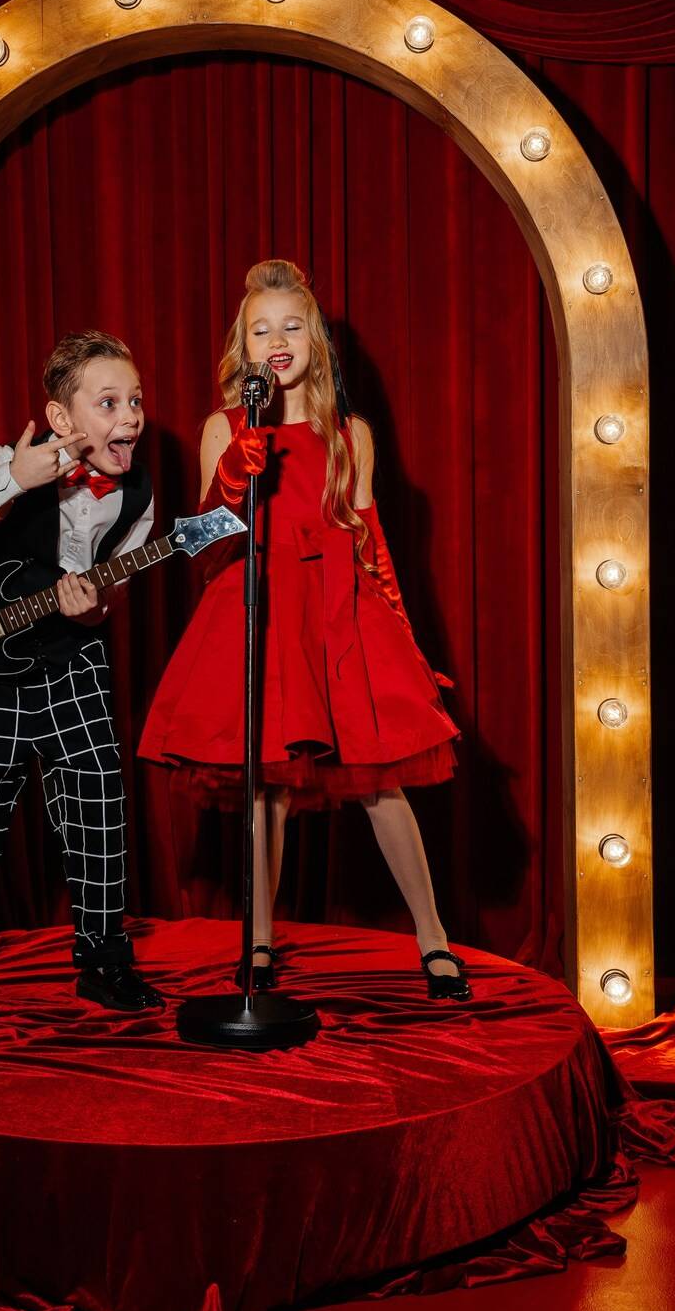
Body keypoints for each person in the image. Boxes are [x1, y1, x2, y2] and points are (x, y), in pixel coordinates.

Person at [139, 261, 471, 1000]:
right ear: (244, 348)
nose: (278, 339)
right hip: (257, 608)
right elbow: (202, 546)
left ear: (314, 340)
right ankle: (258, 943)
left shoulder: (349, 432)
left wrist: (404, 643)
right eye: (262, 330)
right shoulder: (223, 427)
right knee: (268, 788)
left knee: (383, 784)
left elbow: (371, 543)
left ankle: (434, 939)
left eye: (292, 325)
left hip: (337, 611)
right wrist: (233, 475)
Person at [0, 330, 164, 1011]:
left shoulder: (139, 495)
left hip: (70, 657)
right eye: (108, 402)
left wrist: (91, 610)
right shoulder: (12, 463)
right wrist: (11, 479)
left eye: (135, 400)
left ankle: (103, 959)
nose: (130, 416)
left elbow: (110, 593)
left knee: (98, 798)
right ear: (60, 417)